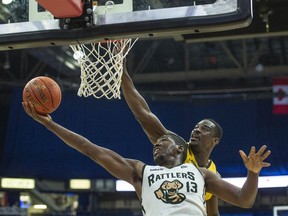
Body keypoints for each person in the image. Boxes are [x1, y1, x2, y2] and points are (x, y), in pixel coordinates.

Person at [22, 102, 271, 216]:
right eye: (156, 143)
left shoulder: (204, 174)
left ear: (179, 149)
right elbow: (89, 148)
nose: (156, 145)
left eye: (163, 142)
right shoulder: (140, 172)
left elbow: (244, 200)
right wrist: (51, 125)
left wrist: (253, 173)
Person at [121, 60, 222, 215]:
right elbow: (143, 114)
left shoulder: (213, 173)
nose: (196, 131)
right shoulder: (175, 147)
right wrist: (122, 71)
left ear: (215, 141)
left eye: (204, 129)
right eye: (196, 127)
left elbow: (213, 213)